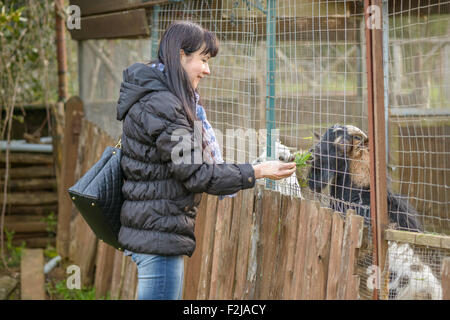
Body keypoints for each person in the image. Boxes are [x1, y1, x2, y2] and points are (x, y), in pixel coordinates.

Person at [116, 20, 296, 300]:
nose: (207, 69)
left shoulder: (157, 98)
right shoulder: (164, 105)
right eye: (202, 59)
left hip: (154, 232)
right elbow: (198, 174)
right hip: (158, 238)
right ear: (180, 56)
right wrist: (259, 171)